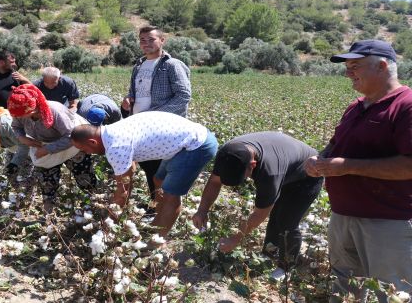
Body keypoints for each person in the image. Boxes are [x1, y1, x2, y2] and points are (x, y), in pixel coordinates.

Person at [304, 40, 412, 301]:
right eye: (347, 66)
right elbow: (334, 144)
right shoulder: (355, 106)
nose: (348, 72)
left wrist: (348, 167)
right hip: (342, 217)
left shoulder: (406, 106)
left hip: (387, 222)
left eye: (355, 66)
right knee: (344, 286)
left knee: (391, 292)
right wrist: (319, 159)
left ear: (383, 66)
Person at [192, 132, 323, 280]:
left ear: (253, 165)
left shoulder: (269, 172)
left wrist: (235, 238)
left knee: (286, 221)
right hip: (287, 165)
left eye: (245, 176)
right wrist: (202, 211)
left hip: (308, 174)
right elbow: (215, 181)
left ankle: (286, 267)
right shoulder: (228, 153)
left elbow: (260, 213)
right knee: (276, 218)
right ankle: (268, 255)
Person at [71, 111, 217, 238]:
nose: (87, 153)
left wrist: (109, 223)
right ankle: (159, 221)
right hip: (184, 141)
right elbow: (130, 171)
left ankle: (157, 240)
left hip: (196, 145)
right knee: (158, 180)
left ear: (92, 141)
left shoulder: (115, 147)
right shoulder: (111, 131)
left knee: (171, 195)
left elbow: (123, 192)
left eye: (84, 149)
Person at [121, 26, 192, 203]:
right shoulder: (138, 65)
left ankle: (166, 208)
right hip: (140, 126)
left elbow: (184, 95)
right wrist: (127, 102)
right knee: (149, 169)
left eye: (151, 39)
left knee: (161, 172)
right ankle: (155, 205)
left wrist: (156, 116)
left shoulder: (171, 65)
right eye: (143, 40)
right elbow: (134, 93)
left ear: (162, 40)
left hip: (162, 128)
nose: (146, 44)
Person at [8, 84, 96, 211]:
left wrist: (47, 150)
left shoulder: (55, 110)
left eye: (23, 114)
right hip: (45, 143)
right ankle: (50, 214)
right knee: (47, 181)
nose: (20, 118)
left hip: (73, 142)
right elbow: (16, 126)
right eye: (18, 116)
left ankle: (93, 205)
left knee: (83, 174)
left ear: (35, 107)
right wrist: (22, 137)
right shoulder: (19, 112)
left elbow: (71, 136)